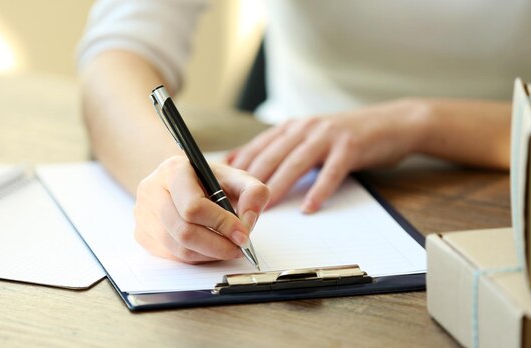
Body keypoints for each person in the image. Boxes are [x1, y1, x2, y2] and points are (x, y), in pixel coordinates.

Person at [77, 0, 530, 265]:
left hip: (509, 187)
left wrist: (418, 122)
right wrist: (168, 173)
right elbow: (118, 53)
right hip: (292, 171)